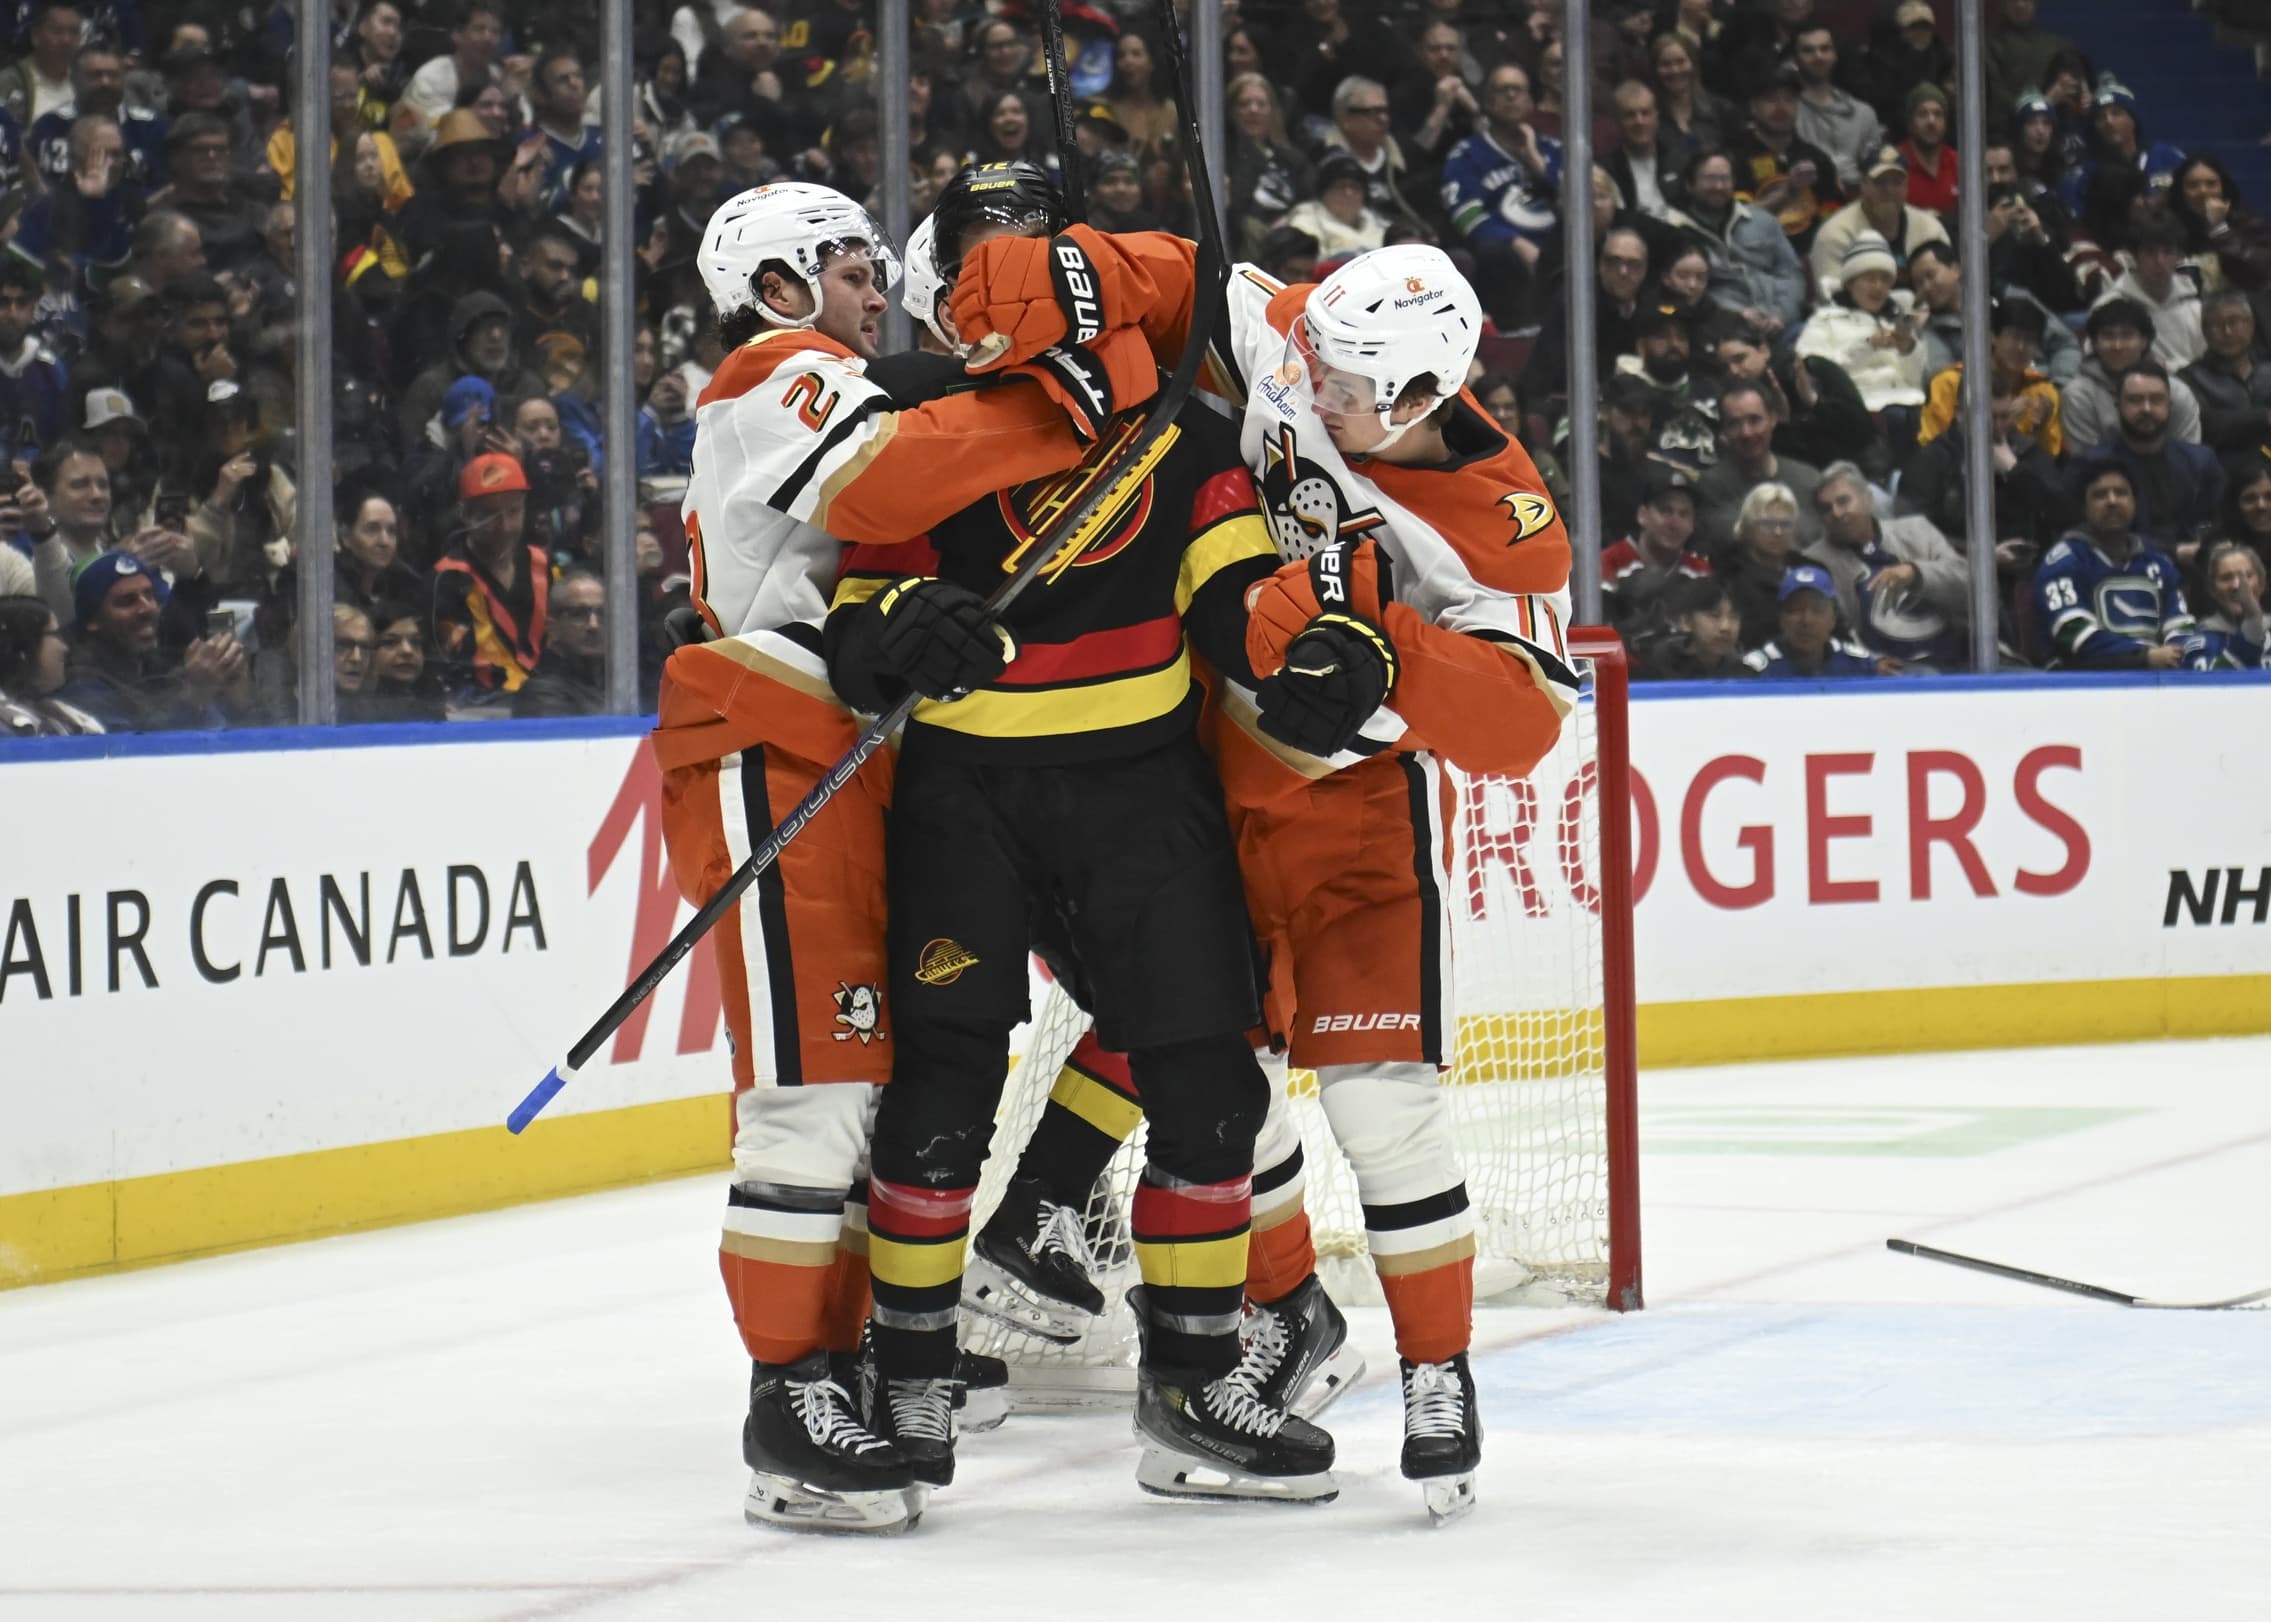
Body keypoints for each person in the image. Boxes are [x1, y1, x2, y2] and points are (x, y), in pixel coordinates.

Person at [954, 232, 1582, 1521]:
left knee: (1384, 1108)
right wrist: (1076, 267)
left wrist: (1393, 651)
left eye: (1352, 389)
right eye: (1321, 365)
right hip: (1208, 792)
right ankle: (1278, 1317)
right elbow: (1183, 275)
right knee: (1223, 1089)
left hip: (1353, 822)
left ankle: (1437, 1373)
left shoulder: (1497, 519)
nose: (1317, 387)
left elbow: (1523, 722)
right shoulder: (1303, 335)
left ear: (1421, 396)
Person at [653, 174, 1162, 1534]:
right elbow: (899, 468)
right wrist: (1067, 390)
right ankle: (786, 1399)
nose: (880, 291)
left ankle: (858, 1360)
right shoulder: (774, 371)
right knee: (810, 1092)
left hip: (843, 753)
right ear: (774, 286)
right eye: (849, 267)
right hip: (762, 743)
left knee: (870, 1080)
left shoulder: (834, 368)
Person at [53, 550, 246, 729]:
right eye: (127, 601)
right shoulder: (80, 688)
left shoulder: (163, 668)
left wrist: (229, 687)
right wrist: (195, 694)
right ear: (92, 620)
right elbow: (135, 754)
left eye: (149, 595)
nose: (147, 608)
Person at [1807, 460, 1969, 669]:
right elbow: (1830, 636)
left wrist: (1916, 573)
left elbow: (1970, 583)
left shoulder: (1917, 530)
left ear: (1868, 498)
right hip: (1892, 672)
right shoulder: (1815, 561)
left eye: (1843, 501)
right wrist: (1869, 664)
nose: (1836, 513)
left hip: (1963, 657)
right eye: (1826, 509)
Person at [2032, 461, 2195, 669]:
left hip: (2157, 678)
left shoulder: (2157, 560)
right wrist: (2143, 657)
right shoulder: (2064, 562)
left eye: (2121, 493)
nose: (2112, 501)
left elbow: (2181, 624)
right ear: (2084, 506)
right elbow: (2075, 634)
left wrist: (2178, 652)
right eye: (2100, 495)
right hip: (2082, 686)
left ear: (2135, 502)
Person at [1441, 63, 1561, 328]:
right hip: (1507, 256)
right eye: (1503, 90)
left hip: (1557, 248)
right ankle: (1521, 332)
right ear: (1488, 101)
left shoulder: (1553, 150)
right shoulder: (1467, 155)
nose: (1511, 97)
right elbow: (1467, 216)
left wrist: (1537, 165)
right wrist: (1516, 242)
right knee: (1494, 255)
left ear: (1531, 100)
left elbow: (1581, 206)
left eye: (1518, 90)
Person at [2073, 362, 2225, 568]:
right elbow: (2089, 535)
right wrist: (2173, 553)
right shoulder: (2092, 466)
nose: (2146, 409)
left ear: (2169, 405)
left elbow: (2221, 523)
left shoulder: (2201, 461)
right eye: (2135, 400)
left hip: (2198, 570)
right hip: (2121, 570)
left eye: (2156, 400)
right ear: (2118, 405)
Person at [431, 452, 549, 700]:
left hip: (550, 702)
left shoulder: (543, 566)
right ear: (464, 513)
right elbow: (454, 664)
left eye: (513, 511)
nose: (505, 527)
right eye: (490, 514)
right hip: (480, 710)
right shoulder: (446, 580)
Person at [1794, 230, 1928, 415]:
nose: (1878, 287)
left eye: (1884, 279)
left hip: (1912, 402)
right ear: (1850, 283)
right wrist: (1867, 346)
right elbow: (1817, 372)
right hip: (1861, 409)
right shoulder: (1825, 321)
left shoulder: (1897, 320)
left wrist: (1908, 348)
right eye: (1870, 279)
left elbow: (1918, 379)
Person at [1676, 148, 1807, 334]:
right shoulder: (1676, 231)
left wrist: (1781, 314)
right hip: (1719, 329)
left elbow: (1791, 273)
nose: (1719, 186)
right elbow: (1680, 293)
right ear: (1690, 184)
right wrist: (1732, 315)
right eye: (1710, 179)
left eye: (1725, 179)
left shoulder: (1763, 221)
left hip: (1781, 323)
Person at [1917, 297, 2064, 457]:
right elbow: (1929, 444)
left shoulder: (2043, 392)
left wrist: (2039, 428)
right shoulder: (1950, 382)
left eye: (2029, 340)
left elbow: (2050, 462)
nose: (2021, 347)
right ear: (1993, 336)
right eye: (2013, 336)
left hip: (2019, 476)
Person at [1696, 380, 1823, 558]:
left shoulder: (1809, 479)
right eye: (1734, 424)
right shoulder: (1710, 488)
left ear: (1773, 419)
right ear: (1723, 431)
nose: (1746, 433)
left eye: (1754, 420)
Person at [2062, 298, 2205, 452]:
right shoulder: (2078, 395)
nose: (2117, 346)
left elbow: (2191, 456)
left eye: (2127, 336)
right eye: (2108, 336)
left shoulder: (2177, 393)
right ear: (2095, 343)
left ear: (2144, 341)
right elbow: (2084, 461)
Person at [1810, 145, 1950, 290]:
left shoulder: (1930, 229)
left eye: (1897, 182)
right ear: (1863, 185)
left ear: (1906, 186)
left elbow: (1949, 285)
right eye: (1879, 182)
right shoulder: (1834, 234)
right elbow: (1831, 296)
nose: (1889, 190)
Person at [1601, 462, 1709, 640]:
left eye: (1684, 514)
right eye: (1666, 511)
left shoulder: (1700, 571)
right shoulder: (1608, 563)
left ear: (1693, 525)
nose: (1674, 523)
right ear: (1642, 515)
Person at [2095, 210, 2207, 371]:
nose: (2159, 261)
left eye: (2168, 252)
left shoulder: (2196, 307)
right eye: (2150, 252)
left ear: (2179, 256)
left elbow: (2212, 368)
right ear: (2134, 256)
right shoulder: (2108, 307)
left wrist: (2168, 367)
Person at [1745, 560, 1889, 676]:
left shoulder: (1858, 664)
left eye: (1817, 609)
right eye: (1796, 609)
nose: (1806, 620)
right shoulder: (1755, 669)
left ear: (1833, 618)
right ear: (1781, 618)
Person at [2181, 290, 2271, 458]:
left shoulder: (2267, 366)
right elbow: (2210, 426)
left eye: (2234, 322)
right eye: (2216, 325)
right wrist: (2265, 417)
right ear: (2204, 331)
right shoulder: (2191, 378)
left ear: (2251, 324)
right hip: (2227, 468)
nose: (2227, 332)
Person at [1716, 480, 1805, 649]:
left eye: (1785, 524)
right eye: (1768, 524)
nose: (1778, 532)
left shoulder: (1810, 571)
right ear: (1748, 526)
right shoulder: (1728, 576)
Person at [1793, 22, 1882, 190]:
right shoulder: (1788, 112)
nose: (1818, 56)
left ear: (1835, 55)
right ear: (1795, 59)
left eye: (1825, 49)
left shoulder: (1863, 113)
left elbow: (1875, 167)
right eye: (1808, 51)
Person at [0, 593, 103, 735]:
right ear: (21, 645)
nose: (64, 648)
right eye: (55, 634)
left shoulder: (66, 717)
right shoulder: (9, 731)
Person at [511, 567, 605, 716]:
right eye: (578, 614)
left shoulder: (622, 683)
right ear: (553, 628)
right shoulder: (541, 693)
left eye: (603, 613)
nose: (594, 625)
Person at [1637, 572, 1751, 678]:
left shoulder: (1746, 672)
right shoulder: (1659, 668)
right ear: (1686, 622)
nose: (1725, 627)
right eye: (1714, 615)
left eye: (1734, 617)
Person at [1285, 151, 1388, 258]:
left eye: (1355, 187)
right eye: (1341, 186)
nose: (1349, 193)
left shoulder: (1379, 224)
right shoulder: (1304, 222)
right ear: (1324, 192)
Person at [2189, 542, 2268, 671]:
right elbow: (2212, 686)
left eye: (2247, 576)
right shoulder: (2200, 642)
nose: (2237, 585)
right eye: (2226, 578)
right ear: (2212, 589)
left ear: (2261, 584)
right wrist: (2252, 623)